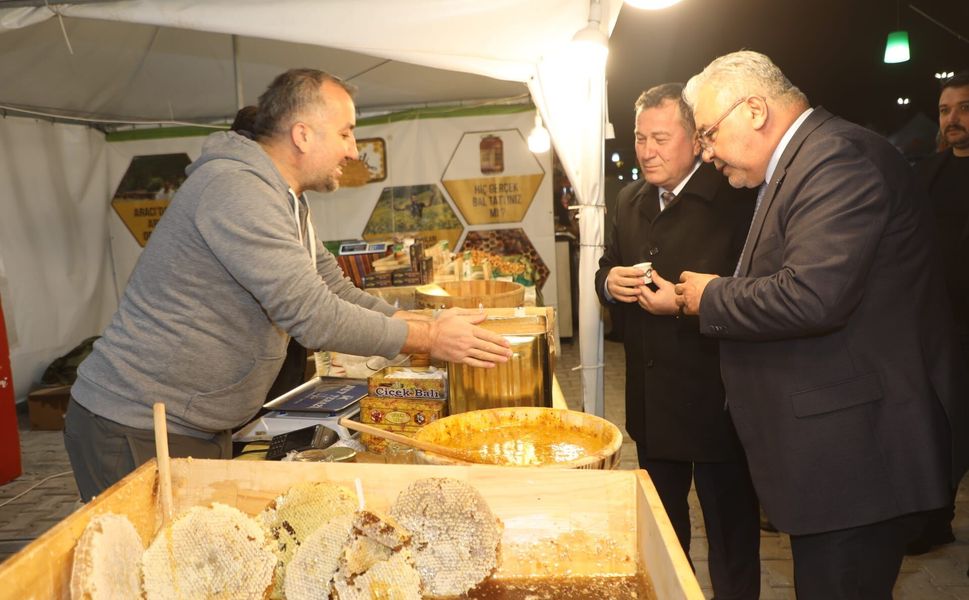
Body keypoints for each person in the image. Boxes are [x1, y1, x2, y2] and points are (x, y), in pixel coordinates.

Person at [64, 69, 511, 501]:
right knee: (164, 571)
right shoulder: (237, 189)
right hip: (138, 422)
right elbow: (311, 316)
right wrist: (429, 337)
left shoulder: (286, 198)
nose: (353, 151)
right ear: (302, 134)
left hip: (196, 420)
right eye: (345, 133)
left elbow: (332, 288)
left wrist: (417, 321)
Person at [673, 50, 969, 598]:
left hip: (860, 460)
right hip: (837, 458)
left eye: (710, 134)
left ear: (755, 110)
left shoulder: (837, 157)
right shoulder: (802, 160)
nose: (706, 152)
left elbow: (813, 294)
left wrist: (712, 295)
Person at [594, 83, 760, 599]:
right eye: (641, 137)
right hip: (652, 401)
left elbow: (755, 292)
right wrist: (609, 283)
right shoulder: (629, 199)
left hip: (717, 402)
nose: (646, 150)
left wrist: (686, 303)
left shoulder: (735, 199)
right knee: (663, 534)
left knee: (731, 537)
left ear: (695, 140)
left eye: (661, 138)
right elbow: (606, 265)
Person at [908, 69, 969, 555]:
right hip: (936, 325)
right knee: (938, 425)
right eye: (946, 109)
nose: (953, 119)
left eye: (964, 108)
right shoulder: (928, 172)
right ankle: (935, 518)